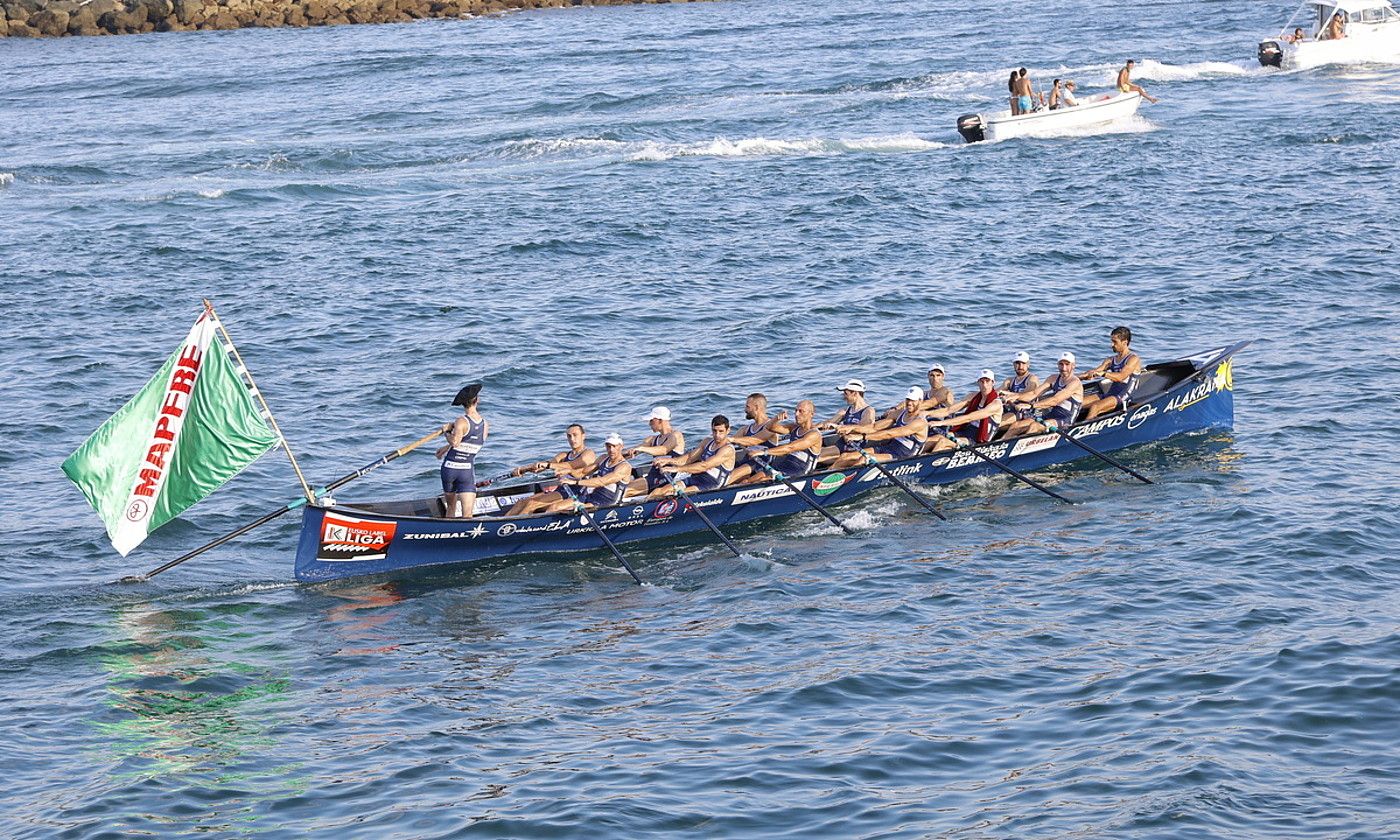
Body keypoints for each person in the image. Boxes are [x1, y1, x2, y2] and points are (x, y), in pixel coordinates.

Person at [504, 424, 597, 516]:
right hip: (561, 490)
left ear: (583, 436)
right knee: (522, 502)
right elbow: (542, 467)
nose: (572, 439)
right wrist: (523, 469)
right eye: (569, 436)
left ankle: (518, 527)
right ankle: (503, 523)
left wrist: (548, 465)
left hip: (577, 493)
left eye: (575, 435)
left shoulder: (588, 454)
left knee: (532, 504)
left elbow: (571, 465)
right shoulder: (563, 455)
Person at [828, 386, 929, 468]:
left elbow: (890, 433)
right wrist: (851, 428)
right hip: (889, 448)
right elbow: (874, 427)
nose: (909, 403)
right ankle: (823, 477)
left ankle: (845, 484)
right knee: (845, 456)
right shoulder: (899, 413)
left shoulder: (920, 422)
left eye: (913, 400)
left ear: (920, 401)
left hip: (903, 457)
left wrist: (861, 437)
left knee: (863, 459)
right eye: (908, 399)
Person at [1001, 352, 1085, 437]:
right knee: (1016, 426)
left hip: (1066, 419)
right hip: (1051, 414)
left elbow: (1055, 400)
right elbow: (1034, 393)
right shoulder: (1053, 378)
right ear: (1057, 365)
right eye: (1061, 364)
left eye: (1067, 364)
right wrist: (1015, 396)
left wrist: (1031, 406)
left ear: (1073, 365)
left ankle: (1025, 448)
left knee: (1035, 426)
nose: (1064, 368)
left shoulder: (1075, 383)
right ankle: (1000, 444)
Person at [435, 383, 487, 518]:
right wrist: (446, 447)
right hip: (466, 471)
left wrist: (446, 431)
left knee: (451, 508)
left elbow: (456, 443)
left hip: (450, 469)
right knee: (468, 514)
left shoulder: (461, 421)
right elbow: (470, 443)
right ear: (477, 400)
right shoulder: (485, 424)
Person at [546, 433, 633, 514]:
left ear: (621, 446)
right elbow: (583, 472)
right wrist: (568, 471)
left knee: (570, 510)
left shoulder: (624, 467)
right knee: (554, 507)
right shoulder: (603, 458)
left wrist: (574, 482)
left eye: (614, 446)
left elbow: (602, 482)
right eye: (608, 446)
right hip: (591, 496)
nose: (611, 450)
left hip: (607, 503)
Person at [742, 399, 824, 483]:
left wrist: (763, 452)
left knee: (762, 481)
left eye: (801, 411)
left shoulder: (814, 435)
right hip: (785, 464)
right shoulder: (794, 427)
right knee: (747, 481)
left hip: (800, 470)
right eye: (796, 411)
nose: (796, 414)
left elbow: (790, 448)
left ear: (811, 414)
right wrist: (776, 419)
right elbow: (770, 428)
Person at [651, 415, 736, 496]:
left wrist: (677, 469)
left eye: (721, 431)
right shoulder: (707, 441)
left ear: (728, 430)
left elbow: (704, 465)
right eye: (714, 431)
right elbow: (689, 458)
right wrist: (668, 460)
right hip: (697, 477)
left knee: (670, 494)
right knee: (658, 491)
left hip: (711, 484)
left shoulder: (727, 450)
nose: (717, 435)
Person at [926, 370, 1004, 451]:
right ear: (978, 383)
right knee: (934, 439)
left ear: (993, 382)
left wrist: (940, 423)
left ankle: (926, 462)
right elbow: (949, 410)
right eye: (982, 381)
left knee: (943, 442)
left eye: (987, 381)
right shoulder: (972, 396)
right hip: (966, 430)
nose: (984, 385)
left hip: (978, 438)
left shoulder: (996, 404)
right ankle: (916, 459)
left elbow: (969, 418)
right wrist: (926, 414)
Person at [1079, 326, 1143, 420]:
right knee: (1077, 403)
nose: (1111, 345)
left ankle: (1083, 432)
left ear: (1125, 342)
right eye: (1111, 341)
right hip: (1110, 395)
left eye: (1115, 342)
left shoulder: (1133, 359)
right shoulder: (1110, 360)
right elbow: (1093, 373)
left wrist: (1104, 374)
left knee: (1095, 407)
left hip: (1124, 397)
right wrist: (1073, 377)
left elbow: (1121, 377)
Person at [624, 406, 686, 497]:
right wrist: (621, 454)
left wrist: (641, 449)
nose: (649, 423)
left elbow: (663, 450)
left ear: (660, 420)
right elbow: (634, 451)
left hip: (669, 478)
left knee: (626, 491)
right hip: (653, 477)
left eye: (651, 421)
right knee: (622, 489)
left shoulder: (676, 435)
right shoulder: (652, 439)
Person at [819, 379, 876, 464]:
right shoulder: (845, 411)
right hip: (842, 444)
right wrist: (811, 428)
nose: (843, 397)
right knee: (814, 452)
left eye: (846, 393)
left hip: (855, 446)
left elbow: (867, 428)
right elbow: (828, 423)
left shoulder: (868, 411)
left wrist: (844, 428)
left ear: (855, 393)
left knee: (817, 456)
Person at [726, 392, 778, 485]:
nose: (745, 410)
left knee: (730, 476)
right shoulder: (745, 429)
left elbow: (754, 440)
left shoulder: (772, 427)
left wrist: (732, 439)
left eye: (747, 407)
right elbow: (728, 442)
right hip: (747, 462)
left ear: (757, 408)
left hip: (761, 465)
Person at [999, 351, 1040, 428]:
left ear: (1028, 364)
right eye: (1017, 363)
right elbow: (998, 392)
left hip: (1027, 413)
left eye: (1023, 363)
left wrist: (1010, 396)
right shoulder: (1009, 380)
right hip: (1011, 411)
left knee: (996, 423)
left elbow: (1029, 394)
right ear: (1013, 365)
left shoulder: (1032, 379)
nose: (1020, 366)